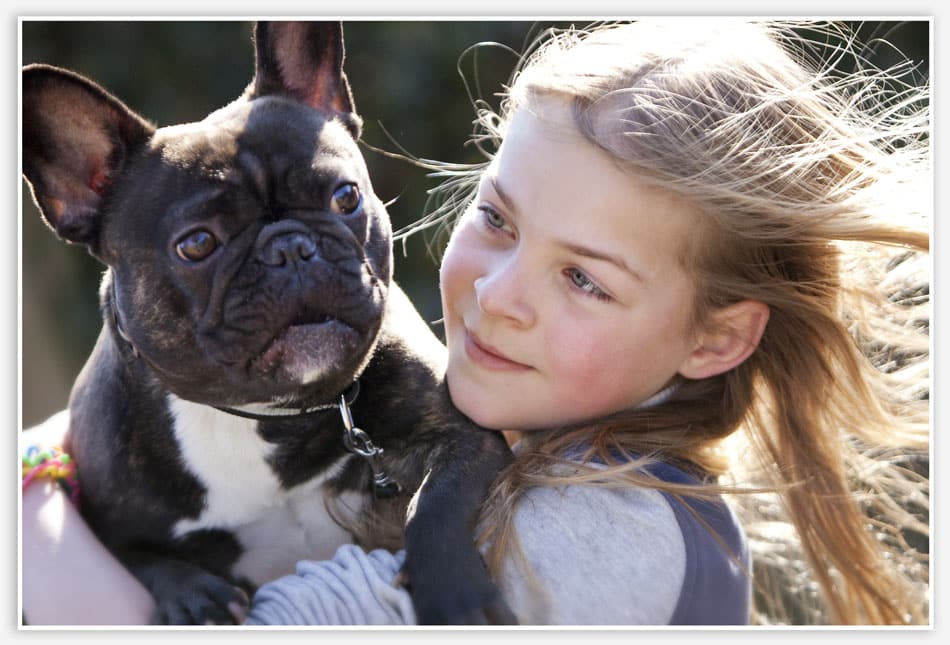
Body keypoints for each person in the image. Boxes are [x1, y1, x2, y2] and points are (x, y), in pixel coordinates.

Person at [21, 19, 930, 625]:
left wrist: (26, 511)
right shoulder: (543, 434)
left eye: (584, 278)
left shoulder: (608, 534)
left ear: (714, 336)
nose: (497, 297)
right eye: (495, 221)